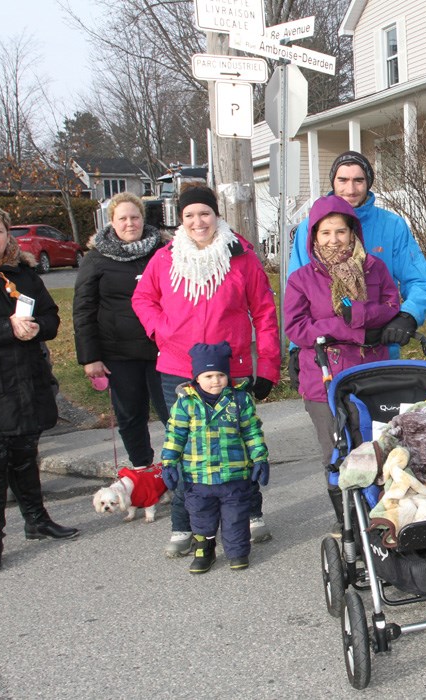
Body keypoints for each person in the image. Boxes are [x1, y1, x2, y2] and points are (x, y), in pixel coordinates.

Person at [132, 186, 280, 557]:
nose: (198, 222)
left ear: (216, 215)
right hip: (178, 367)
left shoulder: (241, 256)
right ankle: (185, 524)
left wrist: (268, 368)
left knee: (240, 443)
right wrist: (161, 330)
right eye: (189, 216)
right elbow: (142, 299)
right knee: (182, 447)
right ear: (180, 220)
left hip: (230, 369)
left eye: (204, 213)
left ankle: (249, 516)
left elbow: (264, 313)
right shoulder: (165, 259)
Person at [0, 202, 78, 574]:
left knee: (25, 457)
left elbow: (51, 317)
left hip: (27, 380)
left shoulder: (23, 274)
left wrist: (36, 327)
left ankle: (37, 521)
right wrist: (8, 328)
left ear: (8, 237)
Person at [284, 195, 400, 468]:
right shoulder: (301, 279)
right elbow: (296, 328)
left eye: (340, 231)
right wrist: (348, 328)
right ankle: (346, 511)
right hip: (324, 378)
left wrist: (361, 313)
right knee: (339, 457)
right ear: (314, 235)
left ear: (352, 233)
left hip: (373, 373)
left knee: (380, 454)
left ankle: (378, 510)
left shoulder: (374, 268)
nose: (333, 239)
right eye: (325, 232)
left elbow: (392, 304)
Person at [287, 151, 426, 355]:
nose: (351, 189)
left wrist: (408, 315)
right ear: (333, 182)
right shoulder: (309, 229)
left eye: (359, 180)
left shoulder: (391, 226)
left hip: (379, 346)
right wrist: (296, 348)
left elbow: (418, 279)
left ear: (369, 182)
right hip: (326, 352)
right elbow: (297, 296)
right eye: (343, 180)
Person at [73, 192, 169, 468]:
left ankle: (181, 473)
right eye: (123, 218)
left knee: (173, 413)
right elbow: (83, 310)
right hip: (118, 353)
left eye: (135, 217)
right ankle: (142, 469)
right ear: (112, 222)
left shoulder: (163, 251)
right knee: (131, 415)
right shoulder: (96, 259)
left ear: (143, 218)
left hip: (161, 349)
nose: (130, 223)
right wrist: (90, 357)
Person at [160, 342, 269, 573]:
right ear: (196, 378)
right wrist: (169, 462)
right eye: (208, 375)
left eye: (220, 375)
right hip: (198, 476)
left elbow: (251, 430)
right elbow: (175, 434)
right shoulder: (185, 403)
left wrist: (260, 458)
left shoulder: (239, 400)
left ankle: (238, 552)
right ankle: (204, 549)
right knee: (201, 517)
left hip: (234, 474)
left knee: (235, 517)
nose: (215, 380)